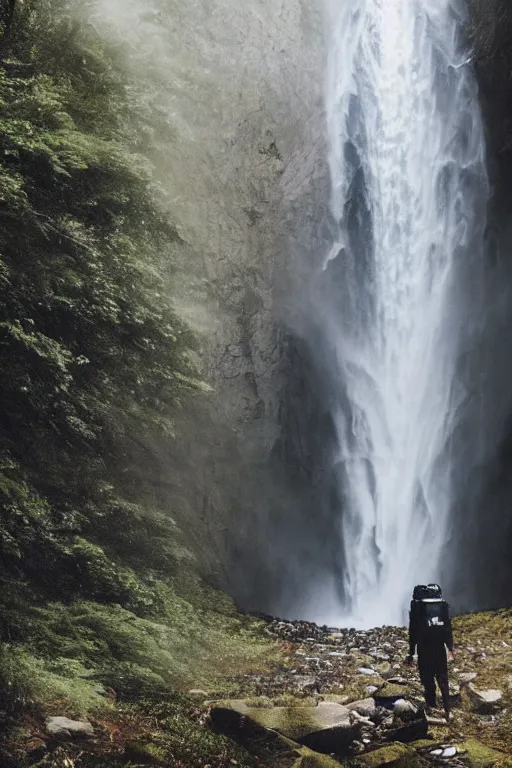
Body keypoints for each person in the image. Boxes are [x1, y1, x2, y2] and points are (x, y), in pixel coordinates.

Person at [406, 583, 454, 721]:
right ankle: (447, 709)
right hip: (439, 647)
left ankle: (431, 705)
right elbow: (447, 628)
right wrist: (450, 647)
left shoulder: (417, 606)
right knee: (443, 677)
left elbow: (413, 631)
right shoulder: (441, 606)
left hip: (424, 647)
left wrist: (411, 652)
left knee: (427, 677)